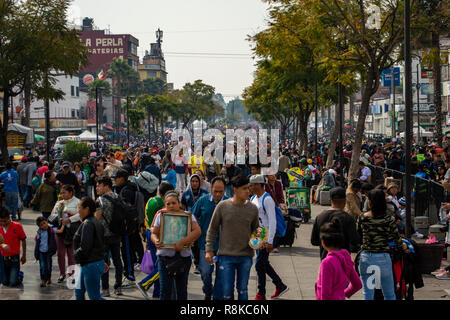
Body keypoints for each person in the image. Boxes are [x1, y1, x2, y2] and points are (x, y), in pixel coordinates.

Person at [205, 175, 260, 300]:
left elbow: (257, 230)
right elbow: (212, 229)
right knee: (227, 291)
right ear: (235, 190)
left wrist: (259, 240)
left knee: (243, 290)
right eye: (244, 188)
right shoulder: (223, 206)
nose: (248, 191)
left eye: (249, 188)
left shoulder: (253, 209)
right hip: (225, 256)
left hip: (245, 256)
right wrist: (209, 250)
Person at [356, 189, 408, 300]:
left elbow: (359, 235)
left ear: (369, 202)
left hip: (366, 258)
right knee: (389, 294)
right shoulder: (389, 219)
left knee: (368, 293)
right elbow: (396, 239)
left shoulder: (362, 217)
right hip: (383, 258)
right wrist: (403, 248)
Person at [151, 192, 202, 300]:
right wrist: (156, 241)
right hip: (164, 259)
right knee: (165, 290)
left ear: (179, 203)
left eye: (174, 203)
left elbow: (197, 231)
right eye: (168, 204)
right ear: (165, 205)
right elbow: (154, 233)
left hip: (183, 258)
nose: (171, 206)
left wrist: (182, 242)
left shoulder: (188, 216)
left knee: (181, 290)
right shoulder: (161, 216)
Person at [250, 175, 289, 300]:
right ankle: (280, 285)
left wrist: (270, 241)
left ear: (258, 185)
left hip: (266, 234)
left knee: (259, 264)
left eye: (252, 185)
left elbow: (272, 221)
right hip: (258, 233)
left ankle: (261, 293)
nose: (250, 187)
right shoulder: (253, 198)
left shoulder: (267, 199)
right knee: (263, 263)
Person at [136, 181, 175, 299]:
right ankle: (145, 284)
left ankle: (156, 292)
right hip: (157, 234)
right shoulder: (160, 204)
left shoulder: (151, 200)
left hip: (150, 233)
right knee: (162, 265)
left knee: (157, 264)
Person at [192, 177, 228, 300]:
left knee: (222, 276)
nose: (218, 194)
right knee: (205, 272)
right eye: (215, 191)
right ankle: (208, 291)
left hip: (224, 246)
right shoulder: (203, 201)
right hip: (205, 245)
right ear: (211, 189)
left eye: (221, 191)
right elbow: (193, 217)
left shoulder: (229, 203)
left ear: (225, 190)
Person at [315, 219, 362, 300]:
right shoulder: (346, 257)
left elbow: (325, 294)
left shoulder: (327, 262)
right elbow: (357, 284)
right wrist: (343, 294)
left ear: (323, 243)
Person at [311, 187, 360, 260]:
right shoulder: (348, 218)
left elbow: (314, 241)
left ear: (330, 201)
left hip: (325, 259)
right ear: (345, 201)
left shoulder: (320, 217)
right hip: (343, 260)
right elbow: (355, 241)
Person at [113, 169, 144, 286]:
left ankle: (130, 276)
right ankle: (130, 272)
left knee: (127, 251)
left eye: (116, 178)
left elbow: (127, 210)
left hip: (127, 227)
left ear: (122, 178)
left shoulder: (126, 191)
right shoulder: (130, 188)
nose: (115, 180)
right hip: (131, 226)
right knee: (129, 250)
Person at [95, 176, 124, 297]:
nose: (97, 188)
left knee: (104, 262)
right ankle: (118, 287)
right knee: (118, 261)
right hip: (117, 234)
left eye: (99, 185)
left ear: (106, 186)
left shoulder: (100, 200)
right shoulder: (118, 197)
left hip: (104, 236)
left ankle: (105, 289)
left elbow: (96, 218)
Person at [73, 197, 107, 300]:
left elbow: (85, 247)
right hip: (89, 263)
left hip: (90, 264)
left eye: (79, 207)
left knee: (95, 297)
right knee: (78, 292)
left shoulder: (88, 224)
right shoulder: (94, 221)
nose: (77, 210)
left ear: (86, 209)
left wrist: (75, 255)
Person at [48, 185, 80, 283]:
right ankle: (62, 274)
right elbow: (52, 215)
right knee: (60, 253)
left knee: (71, 254)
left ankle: (72, 275)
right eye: (61, 193)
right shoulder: (59, 203)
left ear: (70, 193)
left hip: (72, 231)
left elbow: (80, 215)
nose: (62, 195)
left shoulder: (77, 202)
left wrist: (69, 219)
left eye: (64, 193)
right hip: (60, 231)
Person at [181, 174, 208, 274]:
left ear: (200, 182)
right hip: (190, 221)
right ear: (190, 182)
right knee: (193, 243)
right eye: (193, 181)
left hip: (202, 221)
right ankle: (196, 263)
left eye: (196, 181)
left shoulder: (205, 193)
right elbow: (182, 208)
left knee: (202, 242)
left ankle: (202, 262)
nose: (195, 183)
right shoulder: (186, 194)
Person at [0, 208, 27, 287]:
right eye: (0, 221)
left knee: (13, 283)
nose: (2, 223)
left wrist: (24, 255)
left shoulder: (17, 226)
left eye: (4, 221)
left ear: (9, 218)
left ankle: (19, 275)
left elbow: (23, 240)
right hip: (2, 259)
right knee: (4, 282)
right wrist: (2, 245)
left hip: (14, 258)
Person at [34, 216, 57, 287]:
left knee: (48, 266)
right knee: (42, 266)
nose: (44, 225)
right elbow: (37, 241)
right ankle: (43, 280)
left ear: (47, 222)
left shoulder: (51, 230)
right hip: (41, 252)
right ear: (39, 226)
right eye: (41, 225)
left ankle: (48, 278)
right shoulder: (39, 232)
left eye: (44, 223)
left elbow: (58, 231)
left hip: (48, 252)